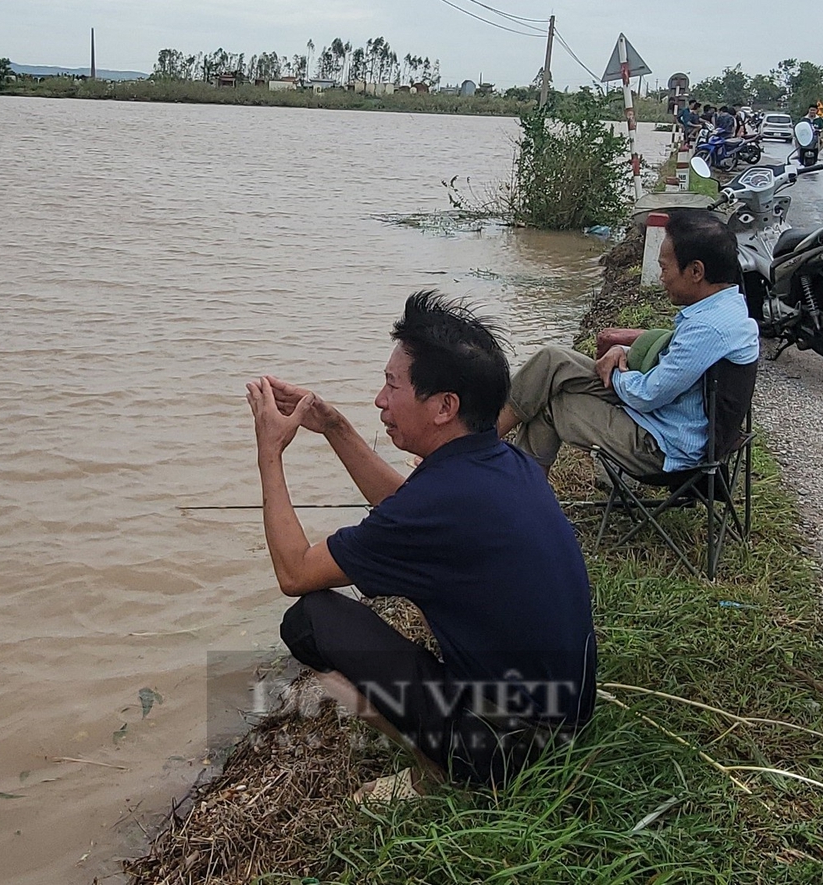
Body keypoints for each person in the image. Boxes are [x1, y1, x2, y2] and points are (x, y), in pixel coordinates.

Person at [246, 291, 596, 786]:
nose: (380, 400)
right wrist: (332, 425)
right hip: (565, 723)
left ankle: (440, 775)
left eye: (393, 386)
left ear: (444, 407)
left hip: (507, 753)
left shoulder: (439, 501)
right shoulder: (501, 461)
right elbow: (404, 506)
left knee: (309, 619)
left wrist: (270, 451)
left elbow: (295, 572)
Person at [499, 209, 759, 478]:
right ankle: (479, 444)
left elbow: (648, 395)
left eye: (664, 267)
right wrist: (623, 351)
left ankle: (509, 488)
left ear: (695, 271)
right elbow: (673, 357)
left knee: (551, 408)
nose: (661, 278)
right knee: (552, 361)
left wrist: (615, 373)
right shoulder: (726, 306)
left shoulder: (710, 327)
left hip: (662, 446)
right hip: (662, 415)